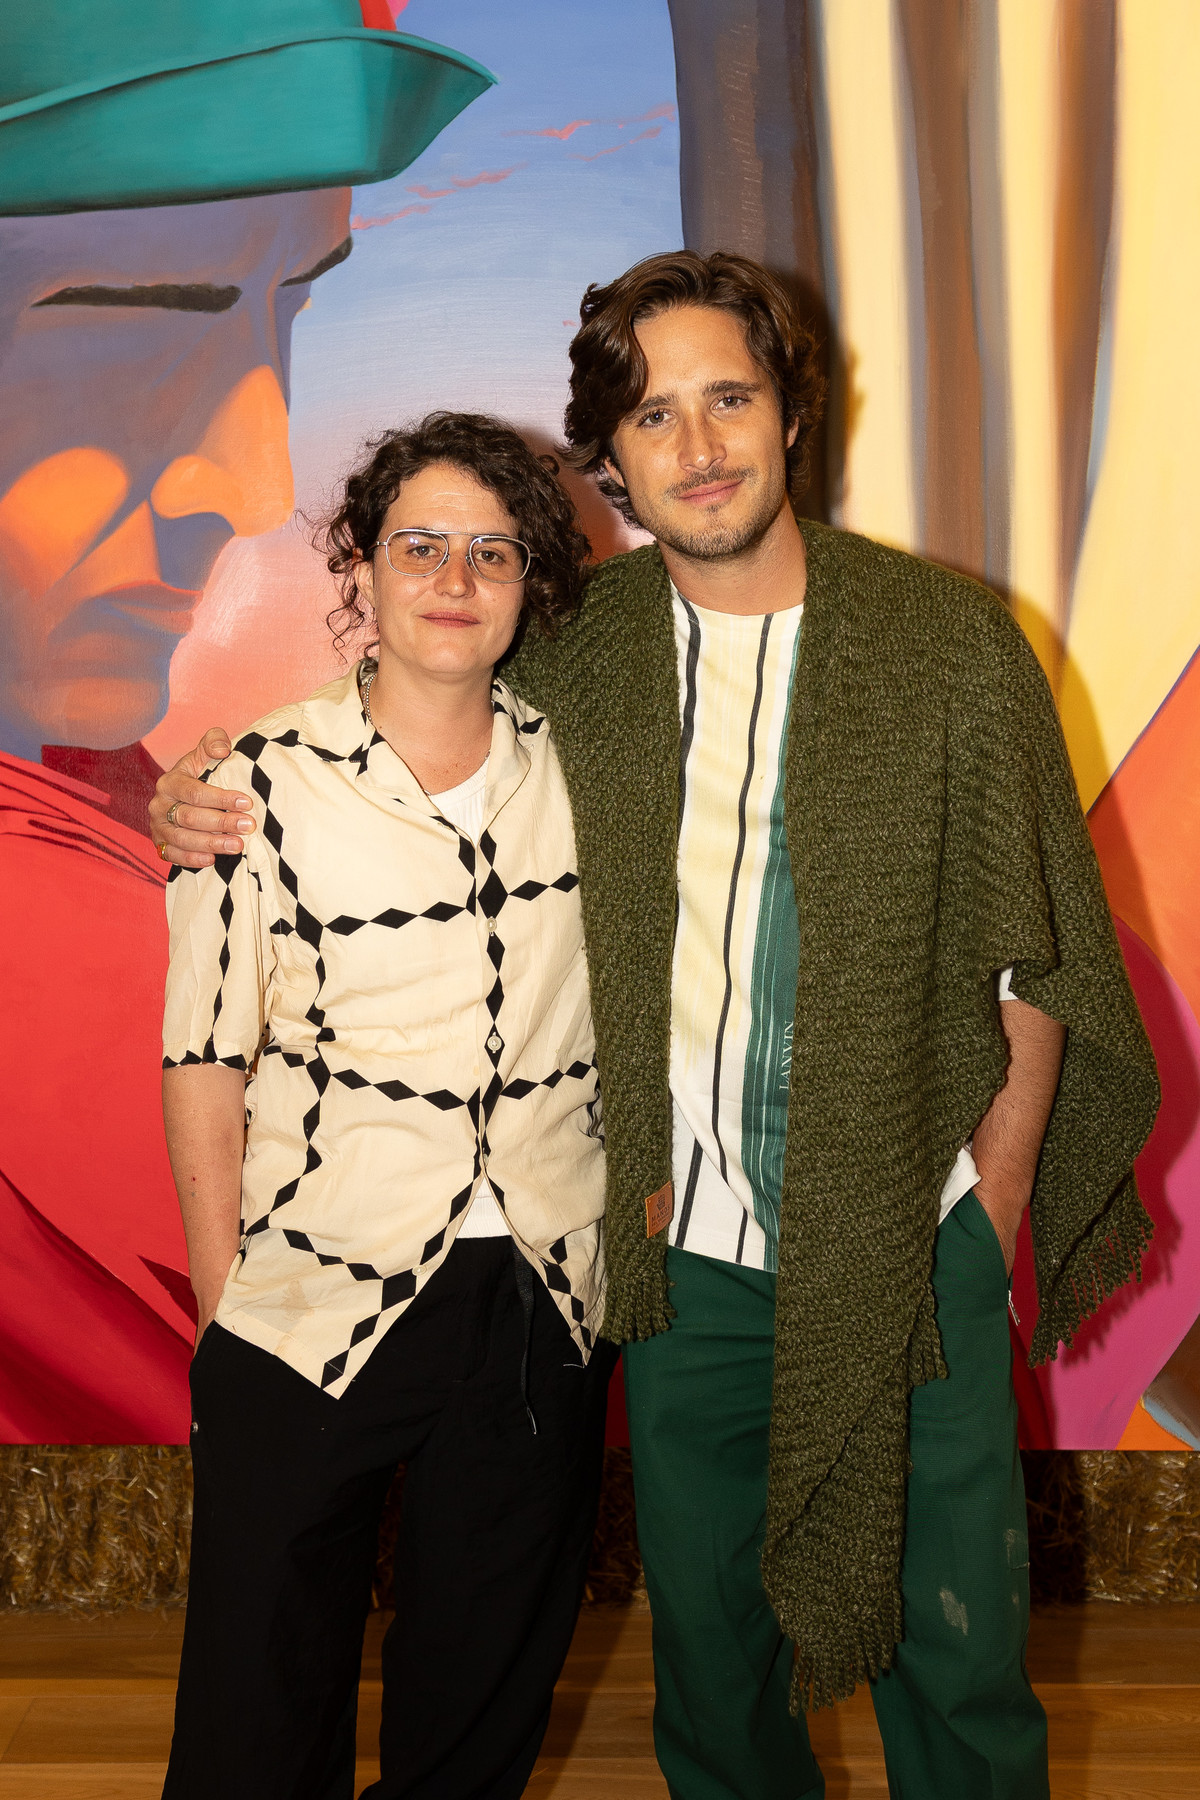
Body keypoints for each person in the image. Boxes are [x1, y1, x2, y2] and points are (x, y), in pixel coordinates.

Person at [154, 252, 1160, 1800]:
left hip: (914, 1244)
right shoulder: (582, 657)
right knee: (714, 1678)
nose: (695, 446)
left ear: (792, 413)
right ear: (609, 465)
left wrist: (991, 1202)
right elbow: (403, 710)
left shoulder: (951, 649)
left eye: (727, 399)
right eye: (648, 416)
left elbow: (1040, 962)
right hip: (679, 1263)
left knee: (960, 1674)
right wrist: (203, 785)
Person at [0, 0, 490, 1438]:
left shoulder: (109, 789)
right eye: (135, 320)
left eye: (298, 302)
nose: (252, 479)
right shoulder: (54, 923)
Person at [161, 412, 613, 1799]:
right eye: (421, 545)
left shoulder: (595, 777)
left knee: (479, 1694)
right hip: (309, 1284)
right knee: (257, 1686)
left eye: (493, 550)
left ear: (535, 579)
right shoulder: (252, 787)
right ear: (362, 563)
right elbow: (202, 1056)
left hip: (540, 1287)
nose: (455, 578)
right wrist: (221, 1288)